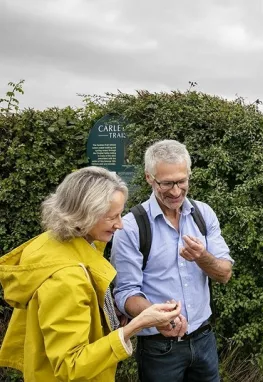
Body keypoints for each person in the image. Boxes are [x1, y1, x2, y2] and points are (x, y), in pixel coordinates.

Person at [0, 166, 183, 382]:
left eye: (120, 214)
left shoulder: (56, 243)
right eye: (111, 217)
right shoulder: (66, 278)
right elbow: (71, 365)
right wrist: (138, 324)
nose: (120, 224)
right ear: (82, 215)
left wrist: (110, 315)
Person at [111, 139, 234, 382]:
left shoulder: (203, 214)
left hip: (203, 338)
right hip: (158, 348)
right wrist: (158, 317)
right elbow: (125, 293)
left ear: (189, 175)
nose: (176, 191)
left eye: (181, 181)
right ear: (149, 178)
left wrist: (202, 257)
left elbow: (224, 273)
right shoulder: (131, 227)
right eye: (166, 183)